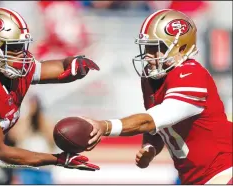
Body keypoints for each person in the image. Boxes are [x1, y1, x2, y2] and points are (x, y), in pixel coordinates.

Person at [82, 9, 232, 184]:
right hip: (196, 177)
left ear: (181, 48)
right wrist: (151, 147)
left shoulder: (191, 74)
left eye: (157, 48)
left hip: (224, 169)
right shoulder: (152, 78)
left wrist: (106, 126)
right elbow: (158, 126)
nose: (148, 56)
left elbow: (152, 120)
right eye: (147, 48)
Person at [0, 7, 100, 185]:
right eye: (14, 48)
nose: (22, 55)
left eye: (23, 46)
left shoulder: (14, 70)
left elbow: (60, 69)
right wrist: (58, 159)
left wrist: (75, 62)